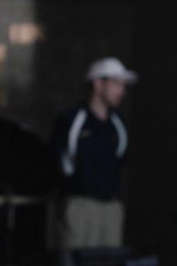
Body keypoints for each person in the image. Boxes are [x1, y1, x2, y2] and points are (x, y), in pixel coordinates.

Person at [50, 57, 136, 249]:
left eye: (123, 86)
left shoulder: (118, 124)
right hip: (80, 206)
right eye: (116, 84)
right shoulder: (72, 120)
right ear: (98, 84)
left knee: (109, 262)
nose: (121, 91)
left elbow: (121, 160)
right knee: (75, 260)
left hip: (111, 207)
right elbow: (61, 161)